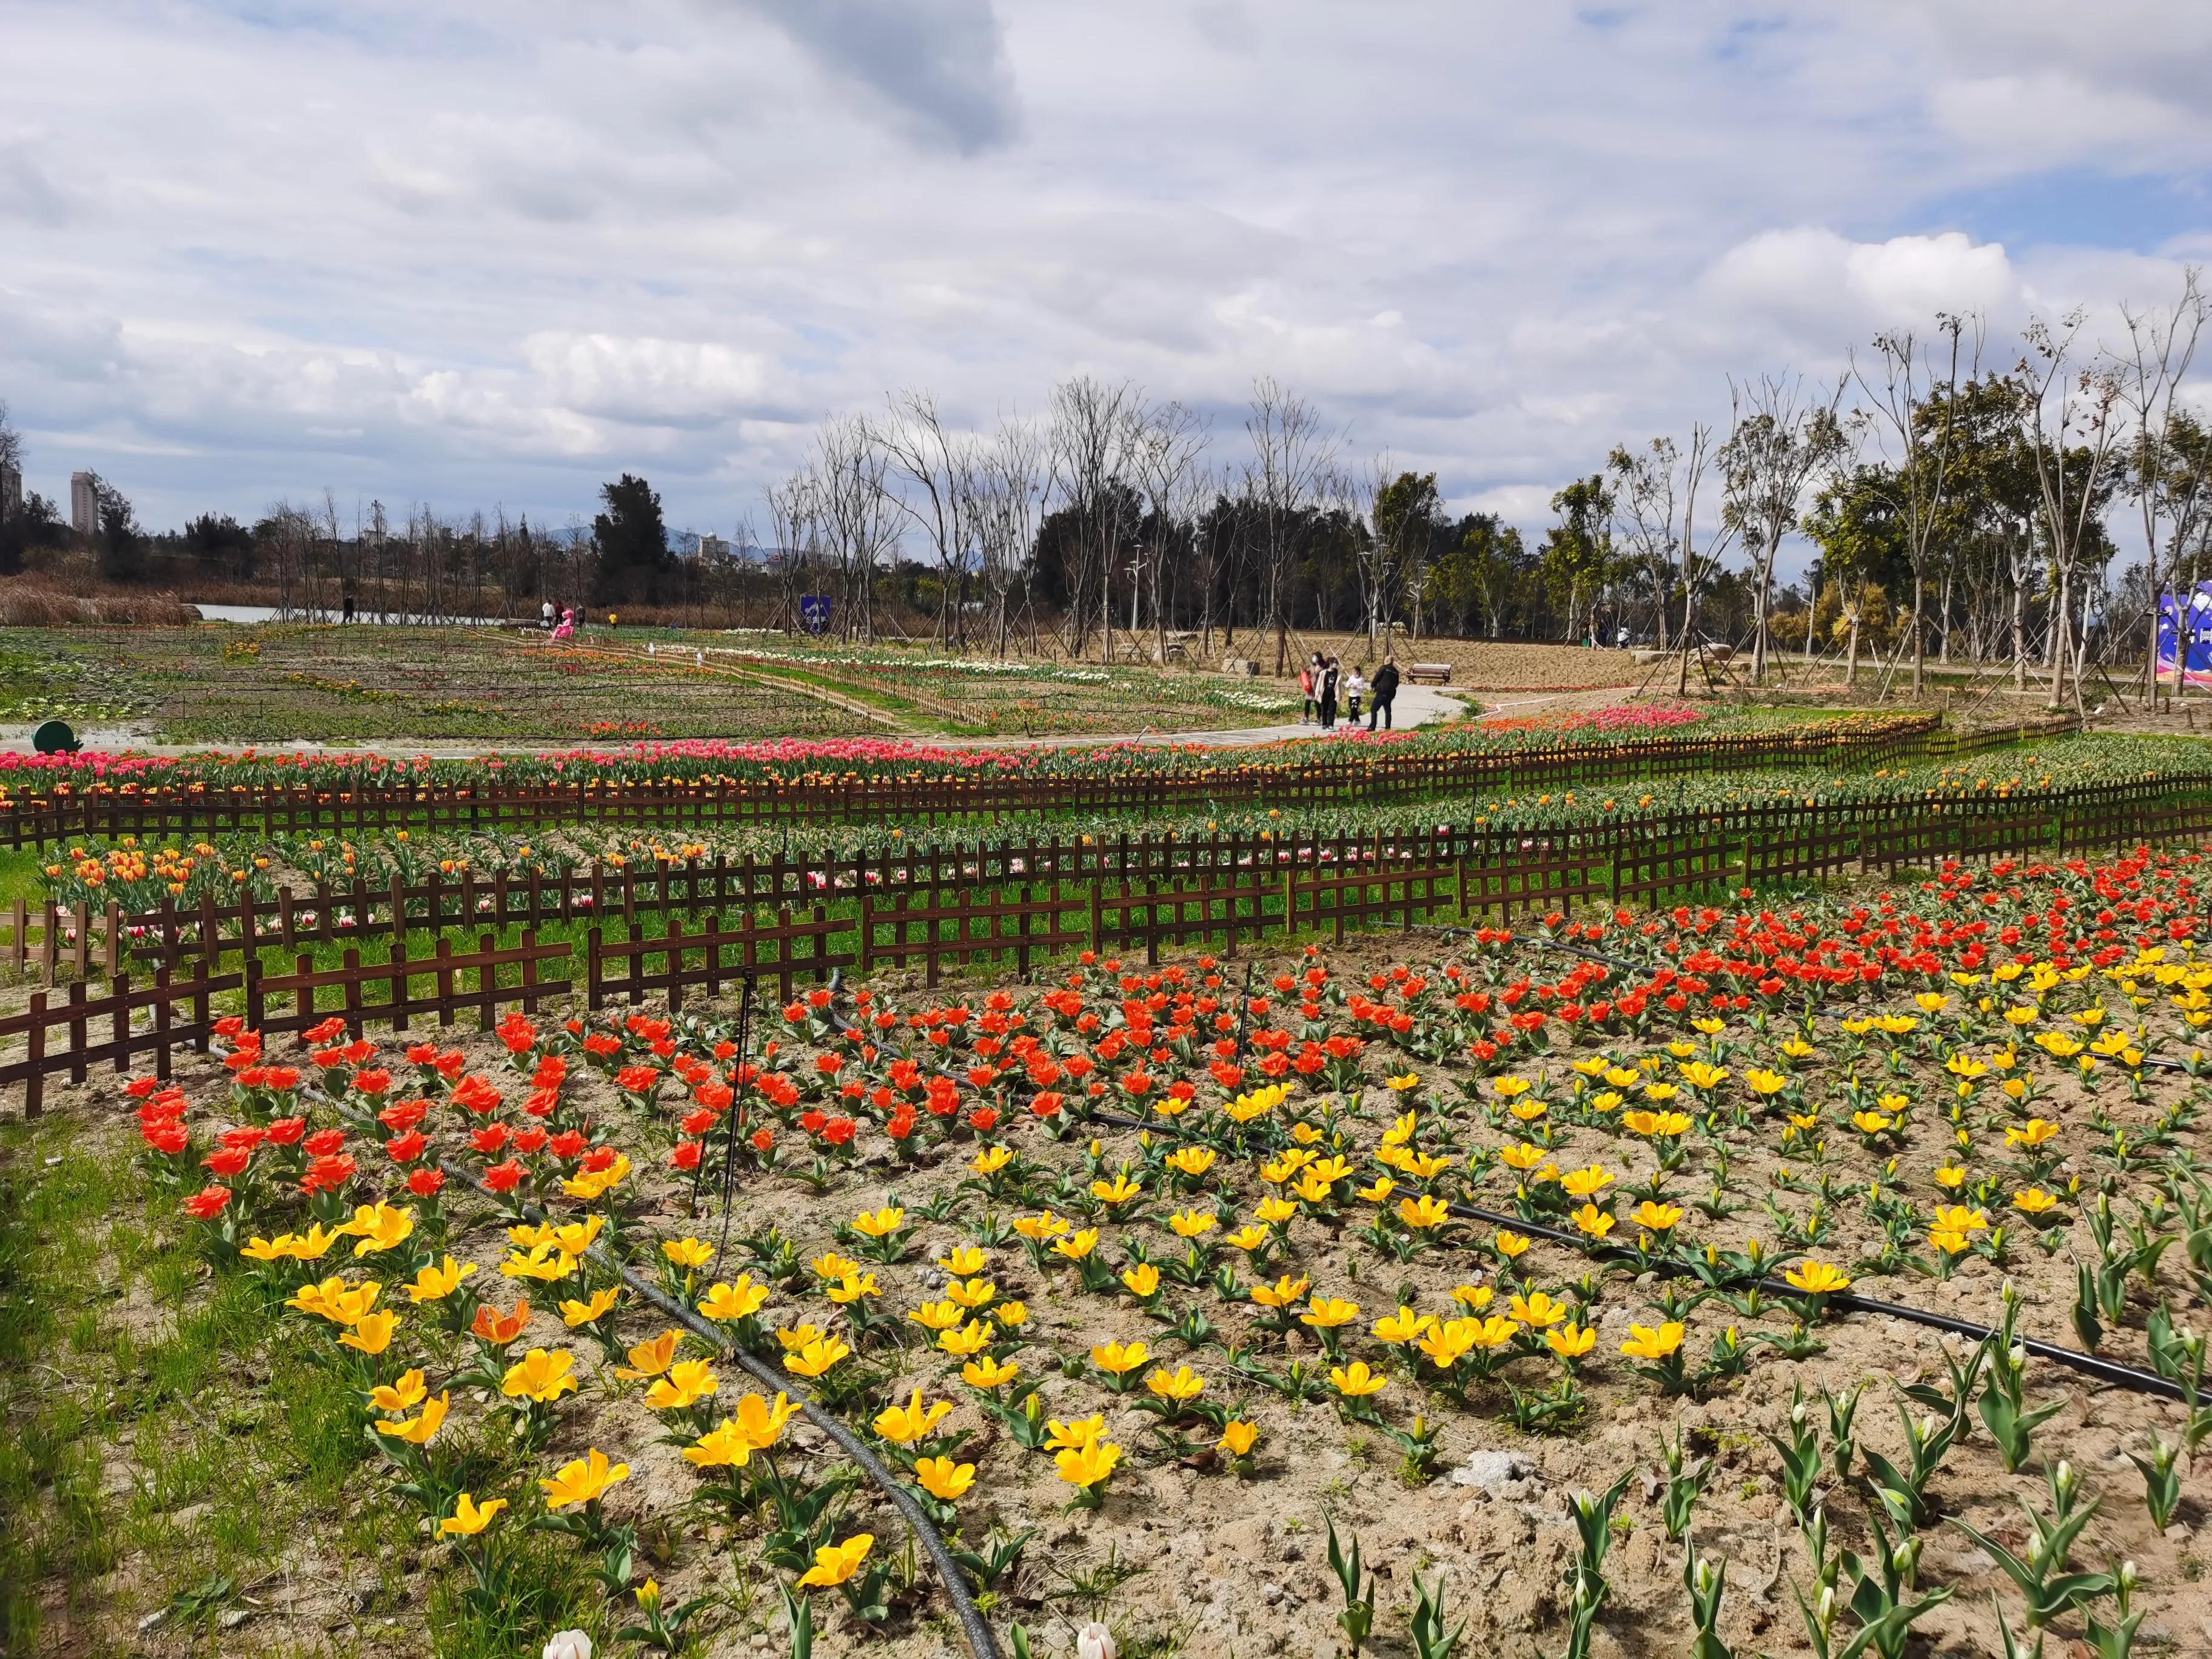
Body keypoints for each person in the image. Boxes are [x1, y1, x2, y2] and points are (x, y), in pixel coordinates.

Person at [1369, 657, 1399, 730]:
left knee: (1374, 709)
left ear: (1387, 661)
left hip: (1382, 691)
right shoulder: (1396, 671)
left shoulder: (1384, 668)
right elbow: (1397, 683)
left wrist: (1373, 686)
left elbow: (1377, 677)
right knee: (1388, 711)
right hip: (1390, 693)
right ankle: (1388, 728)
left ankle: (1372, 727)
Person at [1318, 655, 1340, 729]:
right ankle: (1324, 723)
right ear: (1330, 663)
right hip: (1324, 693)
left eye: (1336, 663)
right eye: (1334, 663)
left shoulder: (1337, 673)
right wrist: (1317, 693)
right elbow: (1319, 684)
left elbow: (1339, 685)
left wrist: (1340, 694)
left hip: (1333, 694)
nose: (1335, 665)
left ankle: (1330, 725)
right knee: (1324, 710)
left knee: (1332, 709)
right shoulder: (1323, 673)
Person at [1299, 654, 1318, 723]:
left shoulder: (1321, 667)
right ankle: (1306, 717)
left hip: (1318, 687)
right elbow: (1306, 673)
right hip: (1311, 688)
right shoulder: (1312, 667)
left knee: (1317, 703)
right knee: (1307, 702)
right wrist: (1301, 667)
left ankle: (1319, 718)